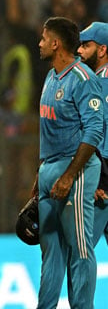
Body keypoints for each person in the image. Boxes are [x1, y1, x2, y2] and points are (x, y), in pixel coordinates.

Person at [32, 16, 103, 308]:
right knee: (50, 252)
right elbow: (47, 131)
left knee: (80, 247)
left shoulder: (83, 79)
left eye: (43, 38)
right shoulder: (51, 77)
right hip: (50, 168)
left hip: (77, 171)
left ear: (56, 43)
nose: (39, 43)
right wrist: (41, 175)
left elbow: (95, 131)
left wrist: (69, 176)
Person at [76, 21, 108, 248]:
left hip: (102, 182)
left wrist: (98, 180)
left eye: (86, 45)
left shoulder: (99, 83)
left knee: (81, 249)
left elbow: (99, 134)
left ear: (103, 49)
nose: (79, 51)